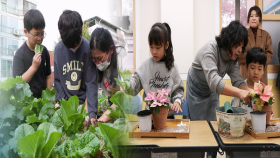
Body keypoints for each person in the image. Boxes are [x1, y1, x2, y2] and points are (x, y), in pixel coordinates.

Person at [187, 20, 252, 121]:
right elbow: (214, 82)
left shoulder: (233, 59)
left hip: (212, 90)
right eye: (237, 44)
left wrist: (251, 92)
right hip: (196, 91)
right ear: (229, 40)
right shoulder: (209, 50)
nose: (240, 50)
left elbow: (238, 81)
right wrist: (239, 93)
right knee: (198, 126)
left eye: (242, 47)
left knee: (213, 122)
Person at [125, 22, 185, 118]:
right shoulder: (146, 65)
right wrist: (126, 85)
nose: (154, 51)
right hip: (149, 116)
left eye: (158, 47)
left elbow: (178, 91)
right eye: (151, 47)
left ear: (166, 45)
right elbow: (134, 84)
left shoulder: (172, 67)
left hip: (167, 117)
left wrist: (177, 102)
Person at [54, 10, 98, 123]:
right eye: (70, 46)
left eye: (76, 44)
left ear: (81, 31)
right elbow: (58, 81)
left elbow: (91, 82)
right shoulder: (58, 50)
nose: (74, 47)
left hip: (84, 104)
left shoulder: (88, 48)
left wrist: (90, 113)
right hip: (65, 103)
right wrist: (65, 107)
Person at [13, 9, 51, 98]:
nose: (40, 38)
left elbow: (48, 77)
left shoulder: (44, 51)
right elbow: (18, 83)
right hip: (27, 103)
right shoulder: (19, 55)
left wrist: (50, 98)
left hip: (43, 101)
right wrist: (34, 67)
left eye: (42, 34)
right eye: (36, 34)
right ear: (26, 32)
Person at [88, 27, 121, 123]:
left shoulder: (120, 68)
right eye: (94, 59)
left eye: (100, 58)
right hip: (112, 101)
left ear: (111, 50)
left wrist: (100, 120)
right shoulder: (97, 68)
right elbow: (91, 93)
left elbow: (119, 103)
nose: (97, 63)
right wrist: (91, 116)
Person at [239, 6, 273, 85]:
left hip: (261, 74)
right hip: (246, 72)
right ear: (248, 19)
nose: (254, 18)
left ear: (260, 19)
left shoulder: (266, 35)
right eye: (251, 16)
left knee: (261, 95)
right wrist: (253, 58)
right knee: (246, 95)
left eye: (256, 16)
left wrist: (260, 61)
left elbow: (270, 54)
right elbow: (239, 54)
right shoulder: (243, 35)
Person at [232, 47, 266, 119]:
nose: (256, 72)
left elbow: (269, 115)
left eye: (259, 69)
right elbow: (233, 113)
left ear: (263, 70)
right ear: (246, 67)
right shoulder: (240, 88)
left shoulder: (265, 90)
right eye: (252, 68)